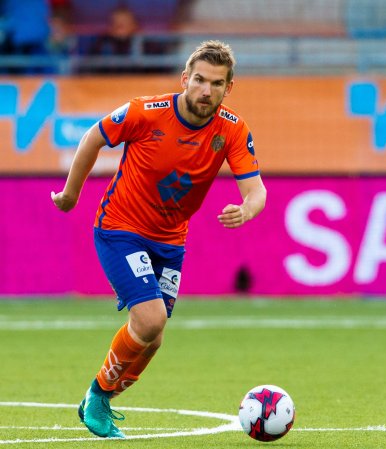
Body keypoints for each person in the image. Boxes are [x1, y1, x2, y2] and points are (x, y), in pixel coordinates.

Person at [50, 40, 267, 439]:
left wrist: (247, 209)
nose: (206, 90)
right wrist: (70, 194)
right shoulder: (145, 112)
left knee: (153, 338)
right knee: (150, 319)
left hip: (170, 242)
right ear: (185, 78)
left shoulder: (232, 129)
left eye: (216, 83)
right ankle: (97, 396)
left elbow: (256, 190)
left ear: (228, 88)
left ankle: (99, 399)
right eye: (199, 80)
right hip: (121, 229)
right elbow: (92, 139)